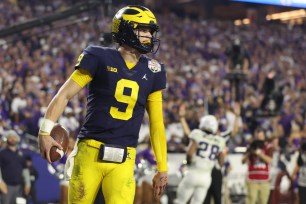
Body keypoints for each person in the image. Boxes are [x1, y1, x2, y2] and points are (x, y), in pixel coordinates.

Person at [38, 5, 168, 204]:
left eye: (150, 31)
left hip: (125, 157)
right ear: (125, 29)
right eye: (142, 29)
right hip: (91, 151)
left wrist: (163, 167)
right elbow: (64, 95)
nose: (148, 35)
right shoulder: (99, 57)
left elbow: (157, 124)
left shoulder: (154, 70)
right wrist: (44, 132)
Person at [175, 115, 225, 204]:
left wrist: (188, 162)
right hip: (206, 177)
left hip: (194, 172)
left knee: (180, 201)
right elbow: (221, 160)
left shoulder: (197, 134)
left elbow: (190, 153)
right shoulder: (219, 140)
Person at [242, 128, 273, 204]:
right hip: (252, 179)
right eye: (258, 136)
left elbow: (270, 160)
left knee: (263, 201)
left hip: (264, 179)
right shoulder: (251, 146)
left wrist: (259, 154)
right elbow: (243, 161)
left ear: (264, 136)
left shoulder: (268, 146)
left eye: (261, 136)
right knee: (251, 200)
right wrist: (250, 151)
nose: (259, 138)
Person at [0, 130, 31, 204]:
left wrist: (28, 183)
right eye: (10, 137)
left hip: (19, 187)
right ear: (6, 139)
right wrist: (0, 182)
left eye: (14, 136)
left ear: (17, 139)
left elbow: (25, 169)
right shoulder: (2, 153)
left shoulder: (21, 154)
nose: (12, 138)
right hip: (6, 186)